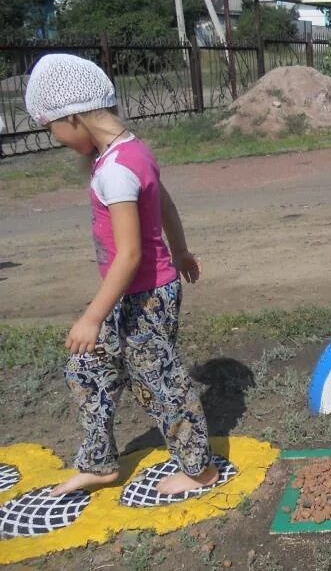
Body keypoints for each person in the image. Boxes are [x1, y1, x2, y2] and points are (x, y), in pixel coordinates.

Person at [24, 54, 216, 496]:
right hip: (133, 293)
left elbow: (129, 255)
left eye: (51, 128)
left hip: (144, 295)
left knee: (159, 381)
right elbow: (164, 204)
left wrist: (91, 317)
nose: (56, 139)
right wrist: (181, 250)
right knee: (86, 367)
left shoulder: (115, 170)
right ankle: (99, 462)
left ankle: (198, 469)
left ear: (71, 117)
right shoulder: (133, 150)